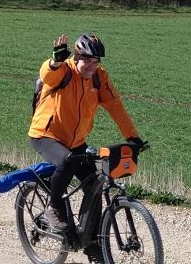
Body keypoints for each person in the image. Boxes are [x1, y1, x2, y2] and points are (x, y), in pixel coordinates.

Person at [28, 33, 143, 234]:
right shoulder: (64, 71)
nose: (92, 66)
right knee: (67, 161)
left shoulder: (99, 78)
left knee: (94, 183)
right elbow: (47, 75)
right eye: (87, 60)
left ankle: (91, 242)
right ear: (76, 57)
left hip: (75, 141)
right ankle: (53, 208)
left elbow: (116, 106)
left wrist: (132, 137)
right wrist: (55, 61)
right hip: (46, 135)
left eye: (96, 61)